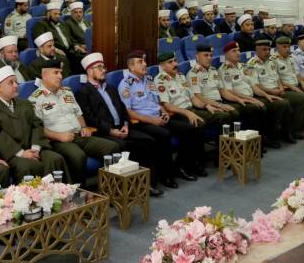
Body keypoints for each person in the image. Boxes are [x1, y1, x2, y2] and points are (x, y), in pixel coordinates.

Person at [75, 52, 171, 196]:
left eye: (104, 67)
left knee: (147, 141)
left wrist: (126, 124)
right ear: (89, 71)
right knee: (123, 146)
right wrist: (110, 130)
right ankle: (127, 188)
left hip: (122, 128)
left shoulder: (111, 88)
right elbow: (90, 118)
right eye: (99, 68)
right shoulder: (83, 92)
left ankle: (147, 183)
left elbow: (124, 110)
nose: (104, 70)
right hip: (104, 132)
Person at [30, 58, 121, 184]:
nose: (60, 76)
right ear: (44, 76)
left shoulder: (67, 92)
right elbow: (38, 128)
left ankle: (111, 188)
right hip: (57, 141)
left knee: (112, 147)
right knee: (78, 156)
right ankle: (79, 191)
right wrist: (59, 136)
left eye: (61, 73)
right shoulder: (36, 99)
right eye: (56, 73)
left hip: (79, 135)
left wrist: (83, 127)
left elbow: (78, 113)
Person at [119, 49, 203, 185]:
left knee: (189, 129)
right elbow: (128, 111)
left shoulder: (149, 80)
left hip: (159, 117)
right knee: (164, 134)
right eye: (140, 62)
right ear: (131, 66)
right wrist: (153, 120)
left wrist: (163, 112)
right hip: (142, 122)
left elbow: (158, 102)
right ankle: (166, 175)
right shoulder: (126, 84)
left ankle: (181, 167)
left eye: (144, 61)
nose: (145, 64)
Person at [0, 65, 68, 181]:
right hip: (10, 153)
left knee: (54, 158)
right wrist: (21, 153)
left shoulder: (25, 103)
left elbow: (36, 125)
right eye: (11, 83)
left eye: (16, 82)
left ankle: (57, 191)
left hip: (32, 148)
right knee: (27, 166)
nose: (16, 85)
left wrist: (35, 148)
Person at [220, 41, 296, 148]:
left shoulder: (245, 66)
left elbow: (254, 85)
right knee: (259, 108)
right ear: (226, 54)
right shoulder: (224, 69)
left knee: (280, 103)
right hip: (237, 99)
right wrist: (251, 99)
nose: (238, 53)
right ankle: (258, 141)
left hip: (252, 96)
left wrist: (266, 95)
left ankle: (270, 136)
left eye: (238, 50)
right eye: (234, 51)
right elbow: (230, 91)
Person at [249, 39, 304, 137]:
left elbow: (277, 78)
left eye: (269, 49)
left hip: (278, 90)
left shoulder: (271, 62)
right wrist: (272, 91)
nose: (267, 52)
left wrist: (281, 88)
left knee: (302, 98)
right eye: (264, 49)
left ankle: (291, 131)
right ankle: (276, 134)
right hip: (264, 94)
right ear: (257, 50)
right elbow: (256, 85)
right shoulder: (251, 65)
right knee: (285, 103)